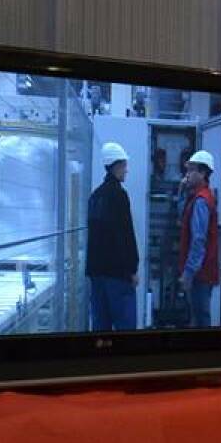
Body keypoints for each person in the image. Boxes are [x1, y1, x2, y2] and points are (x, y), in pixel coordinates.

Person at [85, 142, 139, 331]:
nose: (126, 170)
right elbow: (125, 234)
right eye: (124, 165)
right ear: (116, 166)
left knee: (101, 328)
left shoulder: (95, 196)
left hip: (97, 274)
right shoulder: (119, 195)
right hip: (118, 275)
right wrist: (132, 268)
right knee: (125, 327)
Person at [178, 150, 220, 328]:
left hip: (200, 273)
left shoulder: (201, 201)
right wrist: (181, 191)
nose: (187, 173)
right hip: (200, 272)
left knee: (201, 318)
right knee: (197, 316)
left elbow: (198, 241)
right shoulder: (196, 197)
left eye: (192, 170)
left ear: (203, 173)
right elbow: (181, 216)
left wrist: (189, 273)